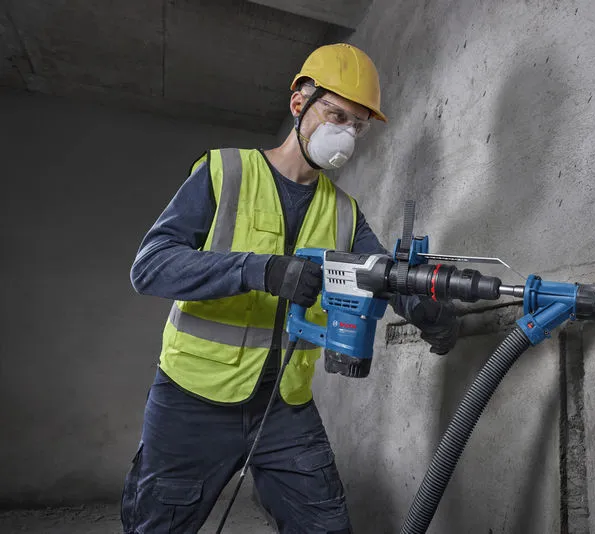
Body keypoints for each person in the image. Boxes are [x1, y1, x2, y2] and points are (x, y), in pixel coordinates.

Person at [120, 43, 459, 534]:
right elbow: (149, 267)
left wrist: (426, 307)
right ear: (299, 102)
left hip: (284, 405)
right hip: (192, 400)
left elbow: (380, 271)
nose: (346, 133)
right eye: (336, 114)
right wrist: (259, 270)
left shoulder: (344, 211)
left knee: (326, 528)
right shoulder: (224, 172)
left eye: (358, 125)